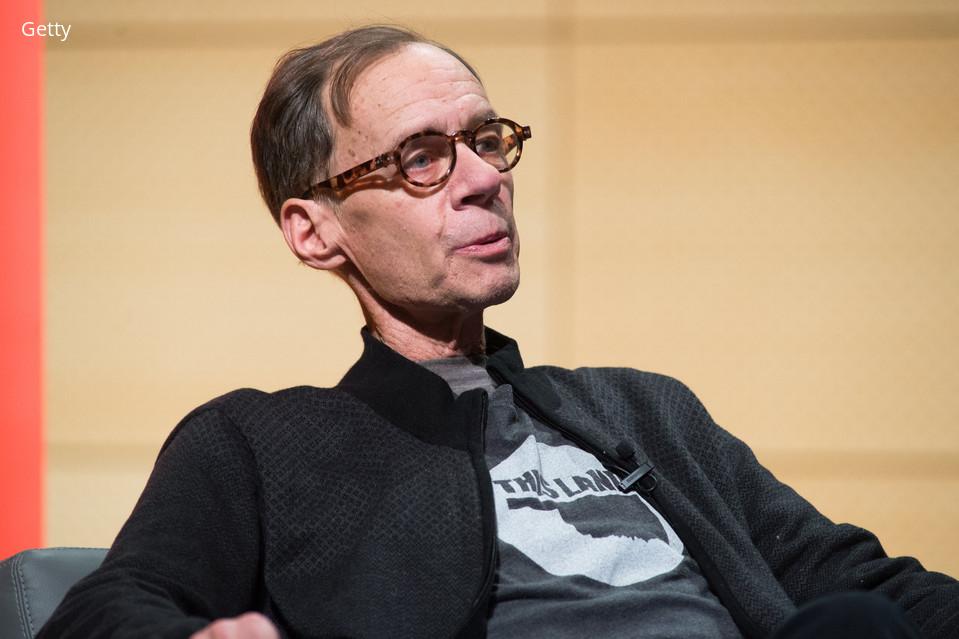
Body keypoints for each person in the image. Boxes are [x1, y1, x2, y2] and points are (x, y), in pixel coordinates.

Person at [41, 25, 957, 639]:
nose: (483, 179)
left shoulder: (645, 411)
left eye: (485, 140)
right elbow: (105, 609)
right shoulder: (260, 441)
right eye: (421, 158)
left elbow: (862, 581)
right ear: (315, 231)